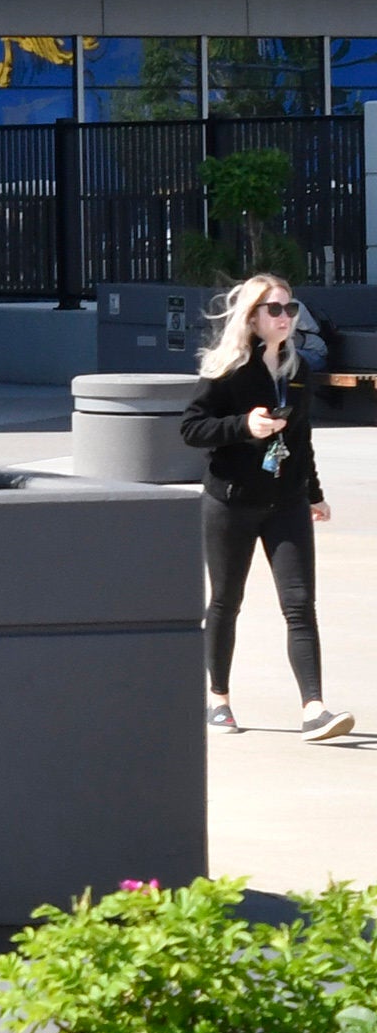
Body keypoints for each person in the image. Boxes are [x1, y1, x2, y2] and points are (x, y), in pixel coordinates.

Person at [180, 273, 349, 740]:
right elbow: (191, 429)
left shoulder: (297, 370)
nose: (284, 318)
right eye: (274, 309)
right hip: (230, 501)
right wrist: (243, 426)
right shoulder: (228, 368)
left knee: (299, 605)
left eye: (290, 309)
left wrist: (313, 494)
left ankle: (314, 708)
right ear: (252, 317)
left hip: (285, 501)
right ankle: (219, 699)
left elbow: (301, 436)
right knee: (226, 601)